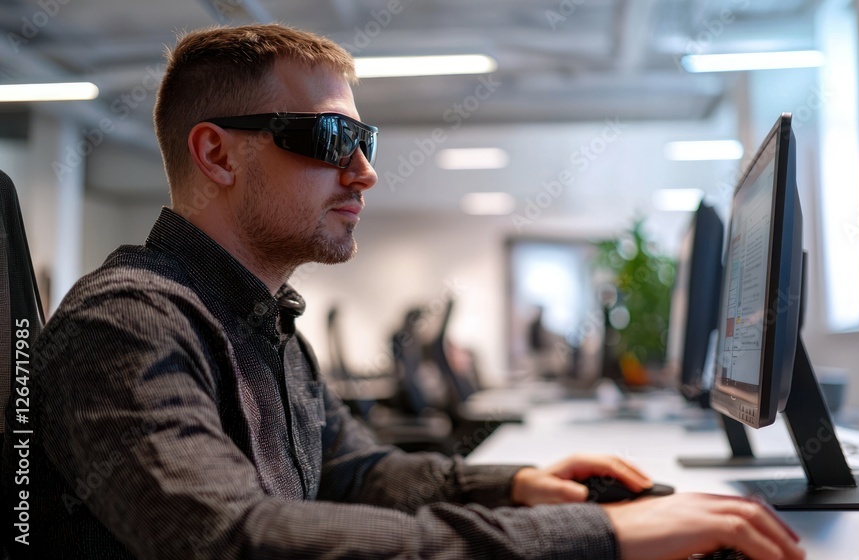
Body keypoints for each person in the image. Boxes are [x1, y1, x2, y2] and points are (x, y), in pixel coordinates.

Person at [21, 24, 804, 560]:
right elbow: (238, 541)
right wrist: (602, 539)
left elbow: (354, 472)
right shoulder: (126, 327)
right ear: (218, 155)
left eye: (366, 143)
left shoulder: (264, 323)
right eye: (333, 141)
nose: (364, 171)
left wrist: (525, 487)